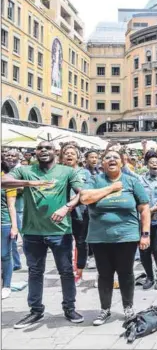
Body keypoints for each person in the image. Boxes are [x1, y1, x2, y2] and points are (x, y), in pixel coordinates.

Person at [2, 141, 84, 329]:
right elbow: (3, 181)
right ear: (35, 152)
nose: (44, 151)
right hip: (32, 232)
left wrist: (67, 207)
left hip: (60, 231)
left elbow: (82, 193)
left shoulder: (67, 172)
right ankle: (35, 310)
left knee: (65, 272)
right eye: (40, 148)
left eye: (48, 148)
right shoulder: (25, 170)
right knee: (35, 272)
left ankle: (69, 308)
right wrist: (29, 183)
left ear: (55, 151)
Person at [80, 149, 151, 325]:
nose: (111, 160)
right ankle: (105, 309)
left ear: (121, 162)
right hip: (99, 237)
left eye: (115, 157)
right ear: (102, 163)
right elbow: (85, 199)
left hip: (126, 236)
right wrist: (111, 188)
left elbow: (144, 208)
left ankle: (128, 307)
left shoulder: (132, 181)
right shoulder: (94, 180)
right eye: (107, 157)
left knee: (126, 273)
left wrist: (145, 234)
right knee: (104, 274)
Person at [127, 151, 157, 291]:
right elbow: (125, 171)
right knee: (144, 250)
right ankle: (150, 277)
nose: (154, 164)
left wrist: (153, 209)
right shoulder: (140, 179)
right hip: (143, 221)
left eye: (156, 161)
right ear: (147, 164)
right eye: (151, 162)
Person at [60, 144, 89, 286]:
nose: (69, 155)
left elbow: (88, 191)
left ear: (78, 157)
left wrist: (74, 202)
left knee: (81, 243)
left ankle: (79, 272)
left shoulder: (85, 173)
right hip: (61, 213)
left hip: (80, 213)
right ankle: (66, 272)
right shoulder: (58, 172)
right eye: (66, 153)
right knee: (63, 243)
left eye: (72, 153)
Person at [4, 150, 24, 271]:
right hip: (7, 209)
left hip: (20, 208)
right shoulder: (4, 169)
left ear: (18, 158)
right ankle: (16, 263)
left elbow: (23, 187)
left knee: (25, 237)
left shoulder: (22, 170)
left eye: (13, 155)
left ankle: (33, 260)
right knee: (12, 239)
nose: (10, 157)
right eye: (8, 155)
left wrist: (9, 186)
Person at [1, 161, 18, 300]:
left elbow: (11, 206)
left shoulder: (8, 180)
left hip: (4, 222)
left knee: (5, 255)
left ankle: (6, 285)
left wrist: (14, 226)